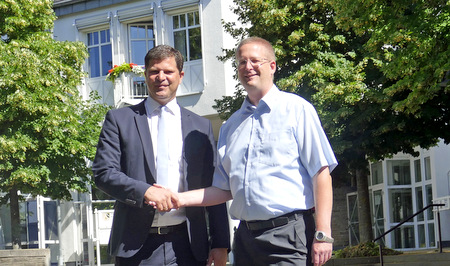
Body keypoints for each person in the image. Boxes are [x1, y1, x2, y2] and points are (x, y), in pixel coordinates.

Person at [153, 37, 338, 266]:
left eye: (254, 60)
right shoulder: (231, 126)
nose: (247, 67)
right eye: (241, 62)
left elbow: (321, 173)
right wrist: (178, 198)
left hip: (288, 236)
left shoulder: (297, 110)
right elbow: (222, 190)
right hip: (245, 240)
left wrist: (323, 234)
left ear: (272, 66)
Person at [92, 45, 230, 266]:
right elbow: (103, 173)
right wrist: (144, 191)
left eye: (168, 71)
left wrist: (220, 242)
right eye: (154, 71)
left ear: (181, 75)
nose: (160, 78)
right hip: (135, 247)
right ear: (145, 74)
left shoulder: (200, 126)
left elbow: (213, 184)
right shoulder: (120, 120)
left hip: (188, 246)